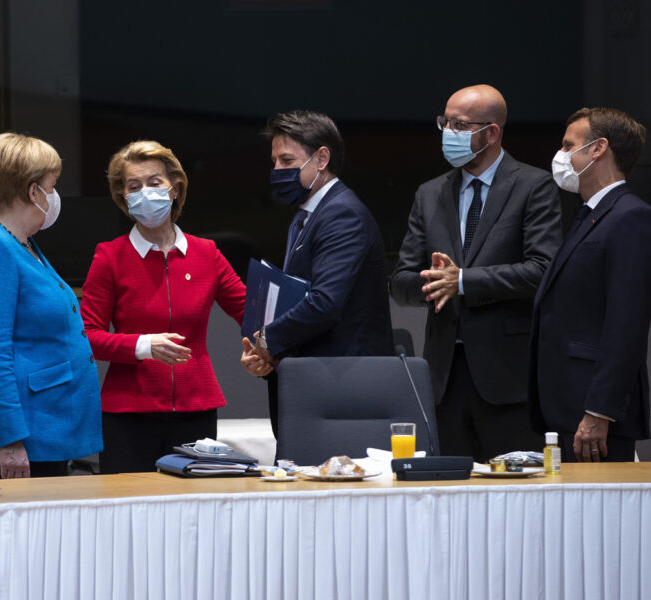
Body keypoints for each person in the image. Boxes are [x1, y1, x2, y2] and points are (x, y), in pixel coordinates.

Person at [389, 85, 562, 462]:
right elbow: (401, 282)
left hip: (509, 380)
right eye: (445, 123)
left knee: (515, 503)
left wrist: (463, 281)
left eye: (459, 125)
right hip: (443, 381)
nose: (448, 133)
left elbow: (542, 270)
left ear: (492, 132)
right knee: (449, 501)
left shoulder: (533, 187)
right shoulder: (429, 194)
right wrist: (434, 283)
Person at [80, 140, 246, 474]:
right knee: (129, 517)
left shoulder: (206, 253)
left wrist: (264, 346)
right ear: (124, 199)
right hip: (128, 414)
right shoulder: (110, 256)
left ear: (174, 188)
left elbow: (250, 311)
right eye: (133, 186)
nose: (145, 192)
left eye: (154, 183)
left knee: (192, 517)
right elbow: (86, 335)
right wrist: (143, 345)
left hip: (195, 408)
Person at [0, 133, 102, 478]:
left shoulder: (20, 242)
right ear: (34, 191)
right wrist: (10, 441)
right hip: (20, 442)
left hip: (46, 429)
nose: (55, 194)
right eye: (53, 184)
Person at [241, 110, 394, 436]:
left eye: (286, 160)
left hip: (341, 389)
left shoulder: (342, 214)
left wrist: (267, 341)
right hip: (313, 382)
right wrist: (271, 357)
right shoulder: (306, 215)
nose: (277, 171)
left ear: (321, 158)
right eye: (274, 162)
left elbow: (324, 302)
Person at [529, 107, 650, 462]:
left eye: (569, 145)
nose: (561, 156)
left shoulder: (630, 217)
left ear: (598, 149)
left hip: (594, 416)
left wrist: (600, 411)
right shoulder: (589, 214)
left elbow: (626, 325)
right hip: (566, 408)